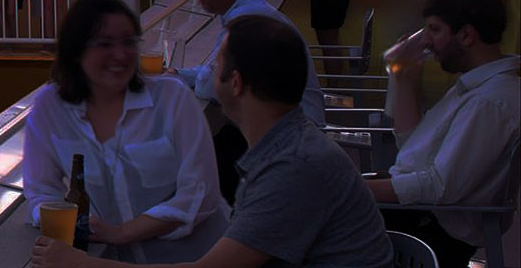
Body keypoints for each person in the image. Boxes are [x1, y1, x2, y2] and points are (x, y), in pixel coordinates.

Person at [32, 15, 392, 268]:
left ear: (235, 83)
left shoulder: (292, 165)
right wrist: (120, 233)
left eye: (214, 63)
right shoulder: (286, 145)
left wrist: (82, 264)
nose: (206, 73)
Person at [22, 0, 227, 263]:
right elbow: (41, 191)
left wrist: (123, 232)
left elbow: (200, 193)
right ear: (76, 49)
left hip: (198, 258)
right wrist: (64, 224)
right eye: (105, 44)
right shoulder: (50, 108)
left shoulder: (171, 98)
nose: (120, 54)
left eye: (129, 42)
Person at [366, 0, 521, 268]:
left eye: (434, 30)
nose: (426, 41)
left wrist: (351, 187)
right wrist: (402, 73)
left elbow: (438, 186)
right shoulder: (473, 85)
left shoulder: (489, 101)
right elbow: (411, 146)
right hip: (425, 213)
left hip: (436, 228)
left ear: (466, 35)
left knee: (314, 219)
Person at [173, 0, 325, 204]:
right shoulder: (251, 11)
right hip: (291, 129)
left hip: (291, 142)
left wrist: (192, 78)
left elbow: (210, 85)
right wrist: (178, 73)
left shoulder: (248, 21)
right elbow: (213, 74)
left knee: (194, 168)